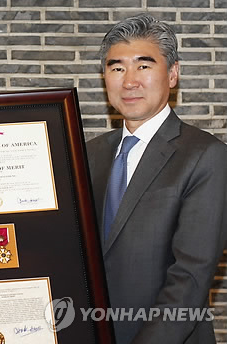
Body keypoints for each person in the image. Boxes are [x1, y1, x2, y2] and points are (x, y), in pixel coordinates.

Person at [87, 13, 227, 343]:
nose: (129, 81)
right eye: (117, 67)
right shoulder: (88, 154)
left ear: (173, 73)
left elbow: (189, 280)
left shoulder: (205, 155)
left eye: (144, 66)